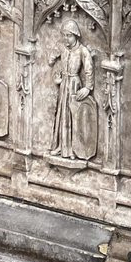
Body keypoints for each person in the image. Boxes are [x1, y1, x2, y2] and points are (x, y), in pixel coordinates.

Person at [49, 18, 95, 160]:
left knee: (73, 115)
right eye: (64, 35)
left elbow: (89, 70)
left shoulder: (82, 51)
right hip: (64, 84)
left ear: (76, 35)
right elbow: (51, 60)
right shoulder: (62, 48)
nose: (66, 38)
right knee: (62, 114)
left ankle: (73, 149)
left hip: (75, 85)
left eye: (69, 35)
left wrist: (87, 88)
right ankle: (61, 146)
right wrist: (57, 78)